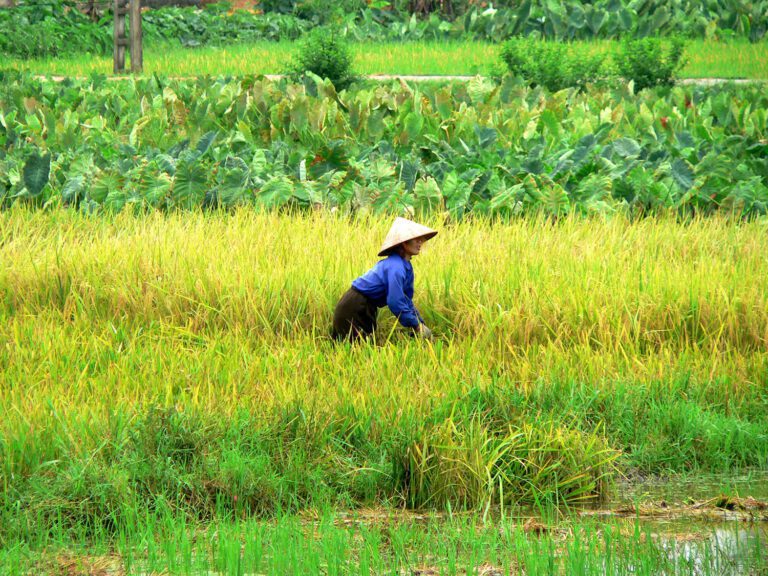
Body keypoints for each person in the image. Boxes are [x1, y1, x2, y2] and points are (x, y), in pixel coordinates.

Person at [332, 217, 437, 342]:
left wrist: (420, 324)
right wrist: (415, 324)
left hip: (366, 306)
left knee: (361, 348)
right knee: (355, 349)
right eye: (415, 239)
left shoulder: (405, 266)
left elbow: (406, 299)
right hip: (355, 306)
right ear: (404, 242)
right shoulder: (395, 266)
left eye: (421, 239)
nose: (420, 242)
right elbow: (395, 301)